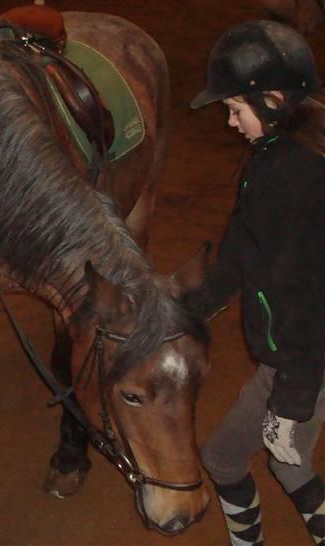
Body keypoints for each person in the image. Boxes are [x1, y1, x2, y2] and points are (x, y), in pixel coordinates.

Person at [189, 20, 325, 546]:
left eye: (233, 109)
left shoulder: (296, 177)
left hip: (304, 358)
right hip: (291, 357)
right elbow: (241, 251)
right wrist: (189, 308)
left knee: (283, 465)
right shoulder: (273, 159)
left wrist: (291, 402)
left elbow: (308, 298)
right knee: (223, 459)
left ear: (271, 99)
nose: (229, 122)